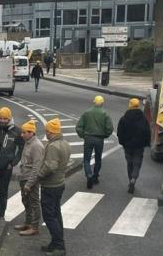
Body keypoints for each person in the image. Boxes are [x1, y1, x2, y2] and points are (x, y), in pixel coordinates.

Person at [38, 118, 70, 256]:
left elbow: (50, 166)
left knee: (49, 216)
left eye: (47, 131)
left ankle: (59, 246)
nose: (46, 134)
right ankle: (56, 242)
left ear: (51, 132)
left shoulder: (53, 146)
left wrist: (39, 176)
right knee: (56, 214)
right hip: (60, 183)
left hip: (50, 185)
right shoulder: (65, 143)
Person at [76, 95, 114, 189]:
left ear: (94, 102)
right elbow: (109, 128)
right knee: (98, 158)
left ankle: (89, 175)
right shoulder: (105, 114)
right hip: (99, 139)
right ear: (102, 103)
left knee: (86, 159)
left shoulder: (87, 113)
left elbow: (78, 127)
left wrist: (83, 135)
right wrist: (105, 135)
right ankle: (95, 176)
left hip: (88, 138)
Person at [15, 119, 45, 236]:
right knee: (26, 201)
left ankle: (34, 227)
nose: (21, 135)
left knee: (34, 203)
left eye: (24, 133)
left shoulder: (36, 146)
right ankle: (27, 222)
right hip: (24, 177)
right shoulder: (28, 143)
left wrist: (29, 184)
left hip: (30, 179)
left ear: (31, 133)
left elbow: (36, 168)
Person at [116, 98, 150, 194]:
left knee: (129, 163)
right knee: (137, 163)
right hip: (139, 146)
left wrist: (122, 142)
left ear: (130, 105)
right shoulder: (143, 118)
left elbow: (119, 132)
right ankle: (134, 178)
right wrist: (146, 143)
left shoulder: (124, 118)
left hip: (127, 145)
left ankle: (130, 178)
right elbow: (147, 132)